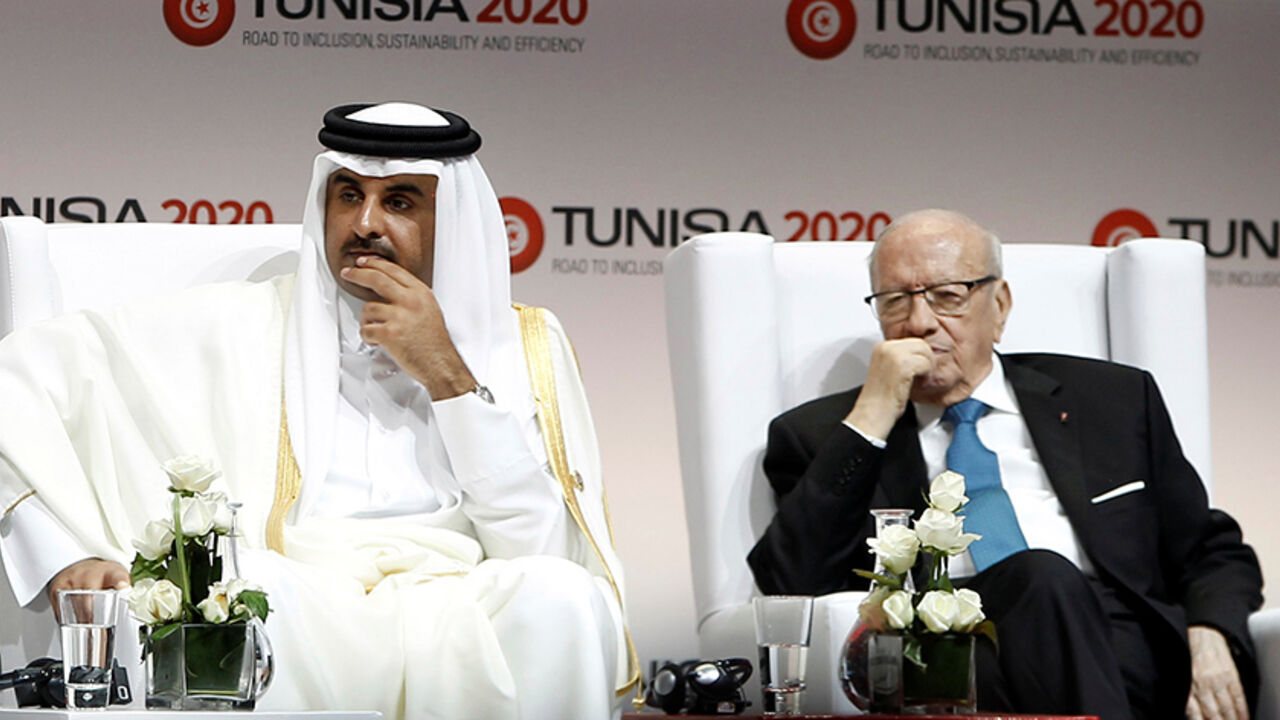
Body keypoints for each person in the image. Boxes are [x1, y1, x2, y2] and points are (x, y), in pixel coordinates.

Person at [0, 102, 637, 719]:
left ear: (454, 222)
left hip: (465, 594)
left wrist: (448, 375)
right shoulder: (239, 325)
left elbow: (538, 551)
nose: (365, 224)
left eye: (399, 202)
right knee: (243, 598)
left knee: (562, 598)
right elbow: (17, 380)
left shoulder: (521, 345)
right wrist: (60, 556)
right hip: (303, 598)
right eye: (348, 195)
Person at [747, 209, 1263, 720]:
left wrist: (1212, 633)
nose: (919, 322)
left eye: (947, 296)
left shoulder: (1111, 400)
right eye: (895, 300)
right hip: (953, 662)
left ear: (999, 307)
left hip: (1124, 649)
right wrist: (871, 418)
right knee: (1042, 577)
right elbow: (791, 585)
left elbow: (1211, 550)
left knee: (1054, 586)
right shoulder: (828, 435)